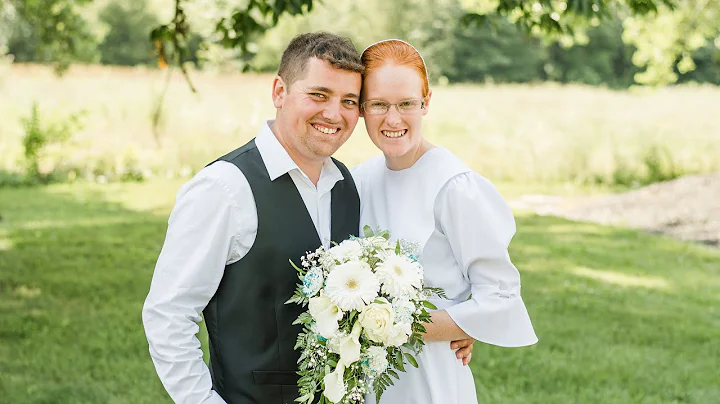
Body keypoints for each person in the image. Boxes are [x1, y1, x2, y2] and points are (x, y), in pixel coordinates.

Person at [141, 32, 366, 404]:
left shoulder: (346, 186)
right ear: (279, 91)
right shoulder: (224, 188)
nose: (334, 113)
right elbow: (168, 315)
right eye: (319, 95)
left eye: (349, 101)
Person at [352, 39, 538, 404]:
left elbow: (500, 296)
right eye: (378, 104)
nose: (393, 119)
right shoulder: (357, 181)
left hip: (430, 379)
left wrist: (391, 325)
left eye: (406, 103)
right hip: (364, 379)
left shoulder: (454, 186)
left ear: (426, 102)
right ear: (361, 108)